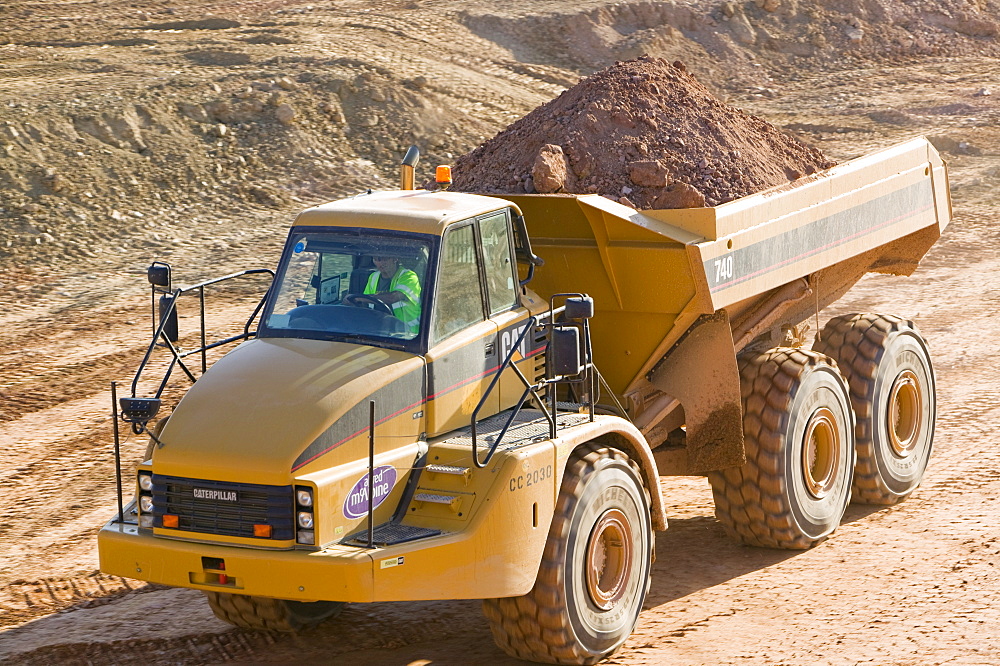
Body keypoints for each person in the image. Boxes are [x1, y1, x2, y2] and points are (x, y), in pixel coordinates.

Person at [359, 255, 421, 334]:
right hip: (378, 329)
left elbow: (393, 297)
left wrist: (361, 298)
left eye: (385, 258)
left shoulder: (409, 276)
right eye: (376, 259)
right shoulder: (373, 277)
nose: (381, 263)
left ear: (395, 259)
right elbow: (366, 302)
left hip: (408, 334)